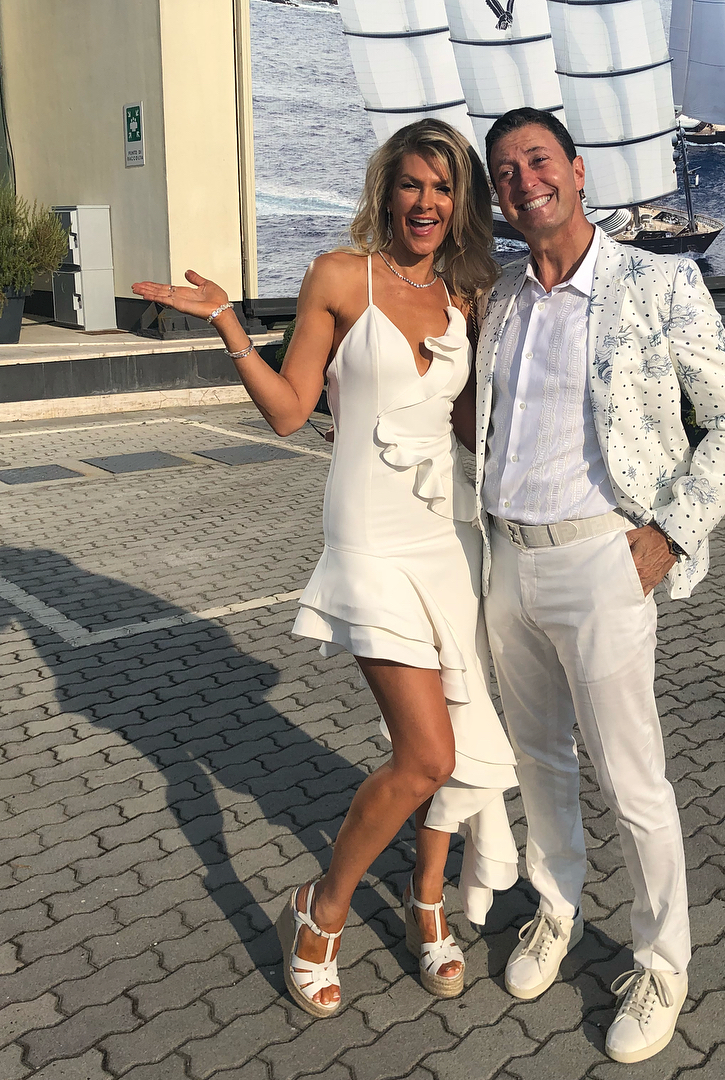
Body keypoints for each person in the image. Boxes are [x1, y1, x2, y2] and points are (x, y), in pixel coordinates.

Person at [133, 119, 518, 1018]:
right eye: (412, 184)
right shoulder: (341, 277)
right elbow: (288, 411)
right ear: (388, 189)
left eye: (444, 188)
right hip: (369, 537)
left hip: (448, 532)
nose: (426, 202)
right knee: (425, 755)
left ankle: (427, 904)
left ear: (460, 203)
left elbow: (472, 429)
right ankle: (321, 908)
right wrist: (228, 322)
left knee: (459, 731)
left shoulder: (465, 294)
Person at [468, 107, 725, 1064]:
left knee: (631, 778)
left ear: (578, 170)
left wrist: (671, 534)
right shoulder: (503, 297)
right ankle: (555, 909)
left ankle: (662, 961)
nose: (524, 181)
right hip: (508, 559)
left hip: (605, 560)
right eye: (505, 171)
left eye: (538, 160)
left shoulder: (657, 282)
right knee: (539, 761)